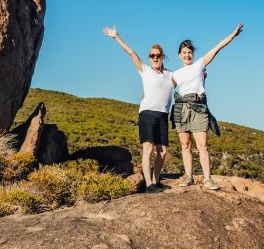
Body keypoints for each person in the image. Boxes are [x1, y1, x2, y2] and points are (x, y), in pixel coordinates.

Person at [171, 23, 244, 190]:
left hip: (198, 107)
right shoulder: (175, 74)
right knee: (185, 145)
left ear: (193, 54)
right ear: (179, 55)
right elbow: (162, 86)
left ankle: (207, 179)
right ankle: (188, 177)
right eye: (184, 53)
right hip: (182, 109)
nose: (187, 55)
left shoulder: (199, 65)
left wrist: (232, 36)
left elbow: (217, 48)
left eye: (190, 52)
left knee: (202, 145)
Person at [103, 26, 173, 192]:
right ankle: (149, 184)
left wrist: (202, 75)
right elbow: (132, 53)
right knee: (148, 148)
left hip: (163, 115)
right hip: (147, 113)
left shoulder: (171, 75)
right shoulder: (145, 70)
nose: (155, 58)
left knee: (162, 152)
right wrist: (116, 36)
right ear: (149, 58)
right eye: (152, 56)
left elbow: (185, 80)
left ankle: (155, 180)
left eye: (158, 55)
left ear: (163, 57)